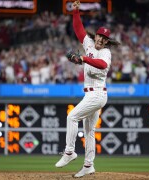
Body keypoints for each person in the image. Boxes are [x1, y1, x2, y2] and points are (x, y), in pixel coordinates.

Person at [55, 0, 120, 178]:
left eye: (104, 38)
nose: (100, 39)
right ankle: (88, 165)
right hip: (90, 95)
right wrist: (76, 12)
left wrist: (83, 59)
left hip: (98, 95)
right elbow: (78, 29)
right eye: (99, 35)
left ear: (107, 41)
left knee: (72, 116)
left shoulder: (106, 53)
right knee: (90, 132)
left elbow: (101, 64)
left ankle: (69, 152)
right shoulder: (89, 44)